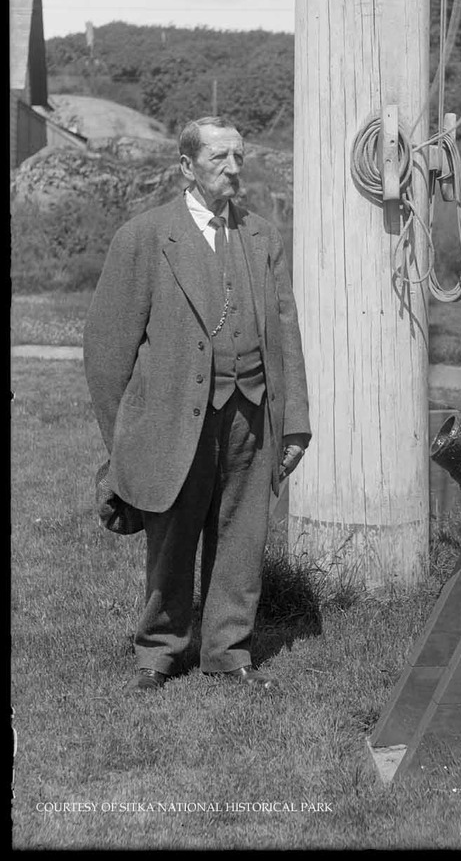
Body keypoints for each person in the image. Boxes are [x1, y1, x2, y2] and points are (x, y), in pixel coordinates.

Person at [83, 115, 311, 696]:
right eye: (220, 159)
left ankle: (228, 651)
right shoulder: (144, 236)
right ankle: (159, 651)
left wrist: (294, 425)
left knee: (242, 534)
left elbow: (286, 336)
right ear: (187, 167)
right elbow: (107, 353)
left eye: (239, 157)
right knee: (173, 536)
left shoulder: (263, 236)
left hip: (250, 415)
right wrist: (124, 443)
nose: (234, 169)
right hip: (173, 419)